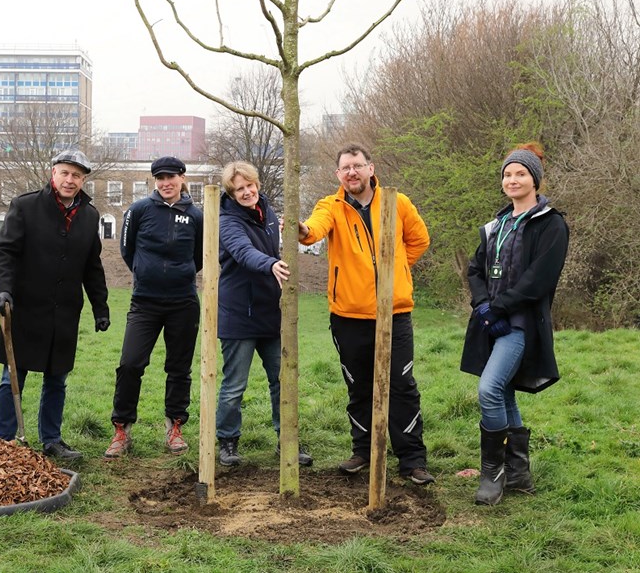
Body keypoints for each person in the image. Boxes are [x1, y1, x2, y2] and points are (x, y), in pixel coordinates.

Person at [298, 143, 435, 485]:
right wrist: (302, 232)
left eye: (357, 166)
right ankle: (363, 451)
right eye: (345, 168)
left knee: (401, 385)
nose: (352, 173)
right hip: (348, 316)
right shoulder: (331, 206)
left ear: (371, 169)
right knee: (358, 387)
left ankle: (413, 461)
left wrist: (395, 273)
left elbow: (420, 240)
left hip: (395, 314)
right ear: (338, 174)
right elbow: (314, 228)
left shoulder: (397, 202)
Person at [461, 143, 568, 506]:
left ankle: (492, 473)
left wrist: (500, 308)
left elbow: (540, 278)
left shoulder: (551, 223)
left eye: (520, 173)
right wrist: (482, 306)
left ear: (534, 180)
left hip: (520, 324)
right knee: (503, 392)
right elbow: (475, 270)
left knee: (489, 390)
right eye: (507, 174)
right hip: (490, 321)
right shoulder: (496, 225)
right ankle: (519, 473)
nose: (512, 179)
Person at [0, 150, 109, 462]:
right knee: (12, 376)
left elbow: (92, 266)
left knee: (57, 379)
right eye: (65, 173)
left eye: (77, 175)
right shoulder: (25, 206)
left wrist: (101, 307)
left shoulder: (90, 215)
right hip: (24, 309)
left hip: (65, 312)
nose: (70, 180)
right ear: (53, 174)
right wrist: (2, 290)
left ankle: (51, 439)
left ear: (83, 180)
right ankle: (3, 441)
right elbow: (5, 252)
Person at [104, 156, 203, 460]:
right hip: (144, 301)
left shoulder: (196, 216)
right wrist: (146, 272)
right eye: (159, 178)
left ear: (182, 178)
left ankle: (174, 428)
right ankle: (122, 430)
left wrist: (180, 273)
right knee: (130, 363)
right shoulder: (138, 210)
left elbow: (200, 256)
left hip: (183, 302)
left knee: (179, 367)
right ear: (154, 181)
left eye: (170, 177)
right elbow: (127, 248)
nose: (165, 183)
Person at [215, 162, 312, 467]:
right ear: (231, 193)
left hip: (272, 312)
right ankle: (228, 441)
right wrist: (270, 264)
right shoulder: (227, 221)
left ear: (257, 183)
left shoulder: (268, 212)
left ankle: (288, 441)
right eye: (239, 189)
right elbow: (243, 251)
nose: (246, 192)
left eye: (249, 185)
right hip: (239, 314)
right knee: (234, 386)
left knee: (282, 380)